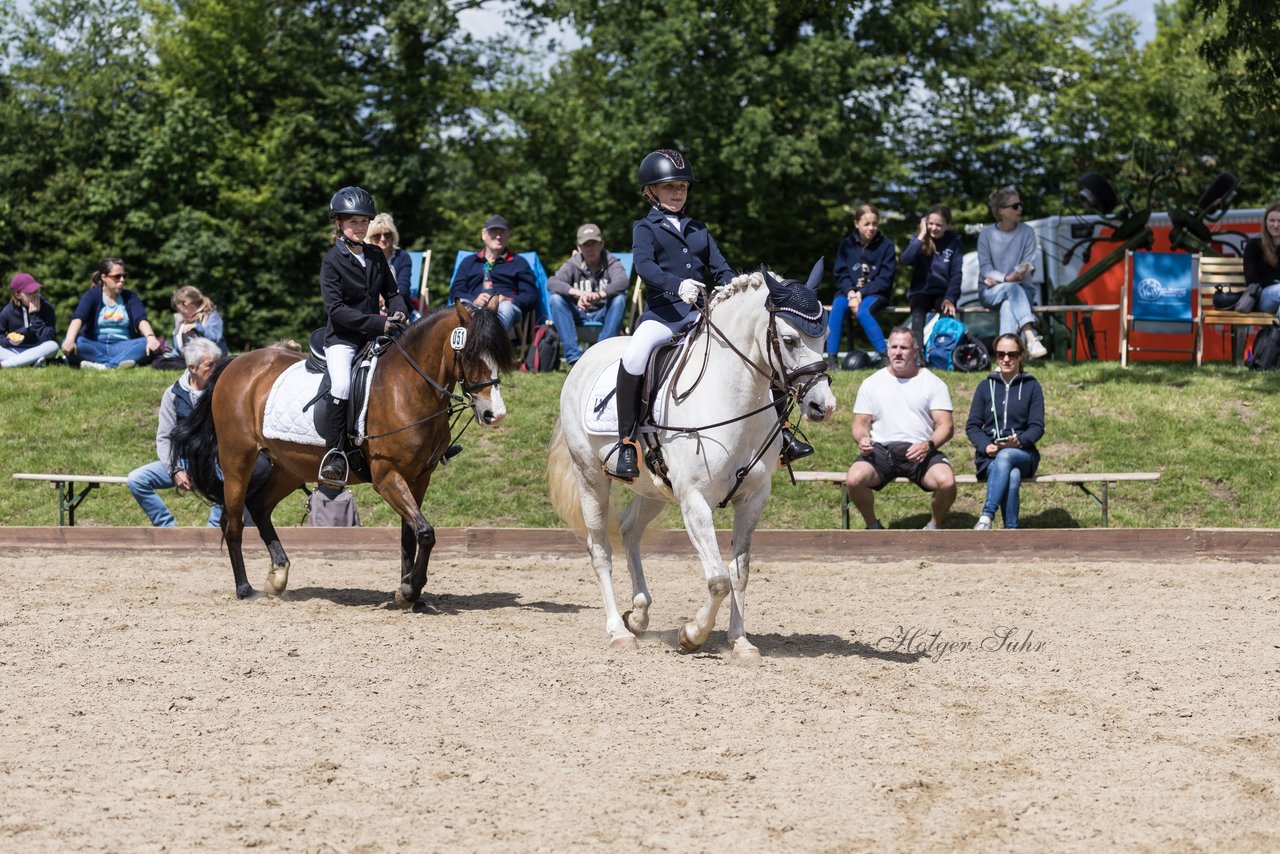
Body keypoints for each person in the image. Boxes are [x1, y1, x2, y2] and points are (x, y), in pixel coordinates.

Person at [608, 149, 734, 479]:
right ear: (650, 191)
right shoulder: (645, 228)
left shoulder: (698, 229)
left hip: (699, 315)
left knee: (749, 345)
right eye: (669, 187)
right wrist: (676, 285)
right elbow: (645, 266)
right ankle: (626, 443)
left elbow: (721, 269)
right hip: (663, 316)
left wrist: (736, 289)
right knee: (634, 356)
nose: (678, 193)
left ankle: (784, 429)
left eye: (682, 186)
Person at [317, 186, 409, 486]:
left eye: (363, 221)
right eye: (353, 221)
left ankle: (434, 441)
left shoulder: (375, 255)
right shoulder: (332, 260)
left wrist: (398, 312)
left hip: (374, 338)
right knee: (342, 384)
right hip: (343, 339)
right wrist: (379, 324)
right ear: (339, 224)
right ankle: (334, 455)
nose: (359, 227)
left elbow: (392, 292)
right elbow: (337, 310)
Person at [127, 338, 268, 527]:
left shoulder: (226, 391)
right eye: (210, 365)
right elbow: (163, 437)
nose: (216, 369)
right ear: (192, 368)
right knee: (137, 480)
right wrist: (175, 469)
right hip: (183, 461)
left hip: (215, 462)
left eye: (218, 364)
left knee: (229, 480)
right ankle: (167, 527)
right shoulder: (173, 394)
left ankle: (214, 529)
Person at [846, 327, 956, 530]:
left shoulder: (933, 383)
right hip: (882, 451)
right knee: (854, 479)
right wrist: (862, 439)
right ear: (887, 350)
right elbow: (860, 423)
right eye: (894, 347)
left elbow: (946, 426)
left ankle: (934, 525)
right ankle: (872, 526)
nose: (898, 352)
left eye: (904, 347)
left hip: (920, 450)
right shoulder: (872, 383)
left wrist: (928, 445)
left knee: (947, 483)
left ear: (915, 351)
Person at [966, 333, 1045, 530]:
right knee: (1012, 474)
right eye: (1001, 354)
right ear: (996, 356)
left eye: (1012, 354)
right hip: (989, 457)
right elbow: (973, 426)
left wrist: (1019, 441)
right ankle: (1011, 529)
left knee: (1008, 456)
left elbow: (1037, 426)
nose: (1006, 359)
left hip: (1023, 453)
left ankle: (987, 515)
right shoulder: (985, 386)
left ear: (1021, 356)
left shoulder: (1032, 386)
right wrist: (986, 446)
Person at [977, 187, 1047, 358]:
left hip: (1022, 289)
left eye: (1020, 204)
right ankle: (1031, 337)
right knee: (1012, 288)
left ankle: (1006, 357)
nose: (1020, 209)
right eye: (1015, 206)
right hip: (990, 292)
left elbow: (1027, 264)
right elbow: (985, 268)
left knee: (1009, 303)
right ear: (1000, 211)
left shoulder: (1028, 232)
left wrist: (1001, 280)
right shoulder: (986, 234)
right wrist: (1007, 279)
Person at [546, 223, 630, 366]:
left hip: (603, 313)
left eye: (594, 244)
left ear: (602, 244)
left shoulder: (611, 262)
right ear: (579, 247)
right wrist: (579, 293)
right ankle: (574, 358)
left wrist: (599, 295)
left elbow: (623, 282)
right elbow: (552, 283)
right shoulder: (573, 264)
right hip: (579, 313)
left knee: (619, 299)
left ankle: (603, 353)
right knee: (555, 299)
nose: (590, 248)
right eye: (586, 245)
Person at [62, 258, 164, 369]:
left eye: (124, 276)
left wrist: (150, 338)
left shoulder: (131, 297)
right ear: (104, 277)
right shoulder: (92, 295)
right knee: (76, 342)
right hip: (96, 345)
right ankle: (117, 363)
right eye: (117, 277)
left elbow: (141, 320)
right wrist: (70, 340)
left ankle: (104, 365)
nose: (122, 280)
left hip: (123, 345)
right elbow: (78, 318)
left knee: (145, 343)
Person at [826, 204, 895, 362]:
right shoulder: (846, 244)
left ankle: (886, 357)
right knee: (836, 308)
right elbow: (840, 273)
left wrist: (860, 294)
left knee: (863, 312)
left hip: (876, 294)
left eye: (875, 223)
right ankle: (831, 359)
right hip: (848, 292)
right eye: (867, 224)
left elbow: (885, 280)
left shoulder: (887, 246)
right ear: (856, 223)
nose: (871, 228)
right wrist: (851, 292)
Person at [448, 214, 537, 331]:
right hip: (474, 307)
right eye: (493, 232)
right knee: (462, 305)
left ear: (508, 235)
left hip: (505, 311)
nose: (498, 236)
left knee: (506, 307)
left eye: (502, 232)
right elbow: (456, 291)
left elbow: (530, 296)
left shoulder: (519, 263)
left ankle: (488, 343)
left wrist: (508, 299)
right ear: (484, 235)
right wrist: (474, 299)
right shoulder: (469, 262)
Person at [901, 205, 964, 354]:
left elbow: (956, 274)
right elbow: (905, 260)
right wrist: (922, 234)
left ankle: (941, 353)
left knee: (947, 313)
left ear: (947, 226)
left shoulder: (954, 243)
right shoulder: (920, 240)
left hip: (942, 292)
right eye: (931, 223)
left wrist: (950, 298)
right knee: (917, 313)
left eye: (939, 225)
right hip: (921, 291)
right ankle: (918, 355)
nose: (934, 228)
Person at [1, 273, 59, 368]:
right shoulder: (8, 311)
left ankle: (5, 365)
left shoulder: (47, 308)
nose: (35, 294)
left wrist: (35, 317)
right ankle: (32, 362)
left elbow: (49, 338)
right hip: (16, 350)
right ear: (18, 295)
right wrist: (9, 341)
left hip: (39, 349)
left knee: (53, 346)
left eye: (36, 290)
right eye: (30, 292)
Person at [366, 212, 417, 314]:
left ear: (393, 236)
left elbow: (403, 289)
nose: (383, 239)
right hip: (370, 309)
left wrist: (386, 298)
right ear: (369, 238)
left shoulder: (402, 257)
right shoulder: (364, 257)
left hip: (399, 307)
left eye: (387, 235)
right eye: (377, 236)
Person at [171, 285, 228, 357]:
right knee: (161, 362)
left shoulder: (210, 316)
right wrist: (173, 355)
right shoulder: (182, 319)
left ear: (189, 304)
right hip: (189, 356)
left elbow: (215, 337)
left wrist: (197, 326)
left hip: (212, 356)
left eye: (181, 310)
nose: (180, 312)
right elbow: (179, 343)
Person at [1247, 202, 1280, 316]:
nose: (1276, 225)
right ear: (1265, 222)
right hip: (1262, 297)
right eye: (1272, 221)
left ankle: (1275, 332)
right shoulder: (1254, 245)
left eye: (1279, 221)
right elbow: (1251, 280)